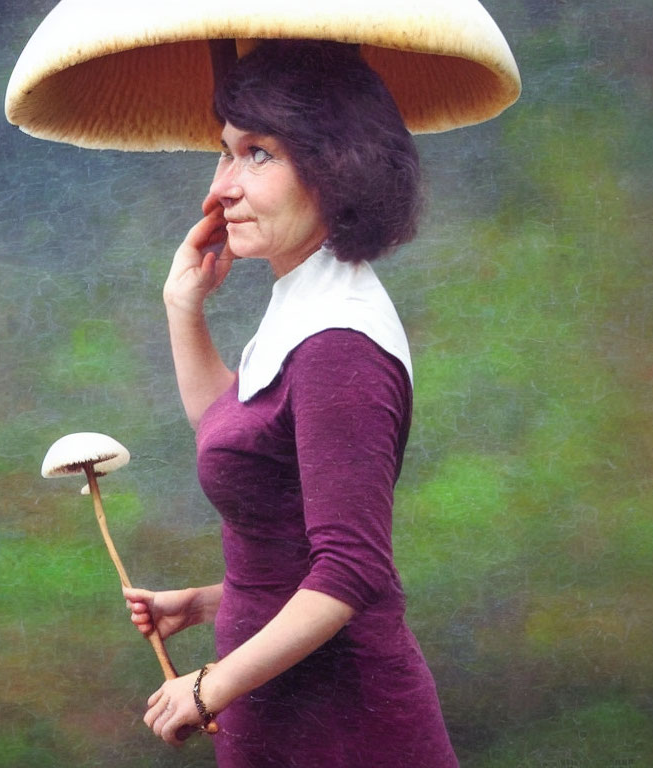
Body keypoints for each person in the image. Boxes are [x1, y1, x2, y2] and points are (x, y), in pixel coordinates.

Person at [123, 40, 459, 767]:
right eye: (224, 152)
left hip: (343, 724)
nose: (221, 189)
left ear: (337, 165)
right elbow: (238, 440)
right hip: (285, 704)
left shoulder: (341, 339)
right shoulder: (304, 302)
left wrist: (209, 687)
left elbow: (350, 573)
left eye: (259, 154)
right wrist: (213, 600)